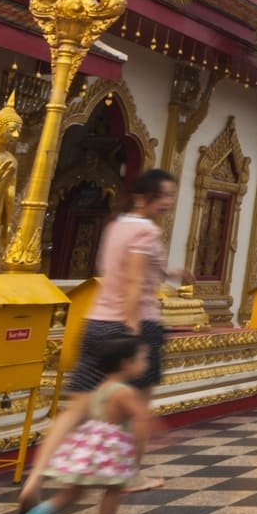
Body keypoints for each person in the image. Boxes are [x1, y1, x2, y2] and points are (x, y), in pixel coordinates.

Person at [62, 167, 185, 490]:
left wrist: (173, 273)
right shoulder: (146, 232)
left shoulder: (116, 226)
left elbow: (135, 271)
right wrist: (133, 333)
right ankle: (131, 474)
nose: (167, 202)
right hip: (136, 322)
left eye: (171, 196)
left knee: (81, 404)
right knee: (137, 406)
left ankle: (50, 470)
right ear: (142, 197)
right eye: (162, 196)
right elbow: (132, 283)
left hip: (97, 321)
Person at [18, 334, 150, 514]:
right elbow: (142, 417)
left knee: (75, 491)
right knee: (115, 487)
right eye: (142, 359)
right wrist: (148, 439)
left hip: (89, 447)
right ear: (126, 363)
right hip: (111, 448)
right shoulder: (125, 392)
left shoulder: (99, 388)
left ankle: (42, 511)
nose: (146, 364)